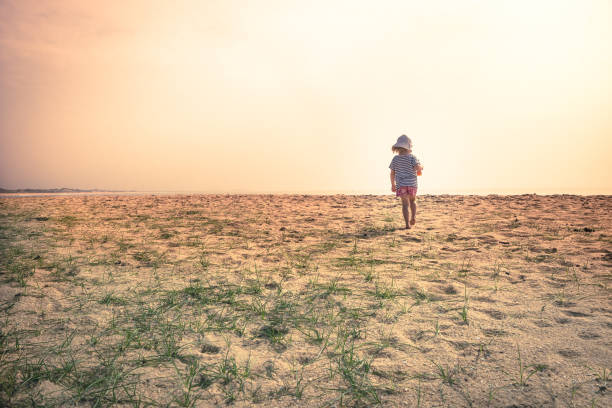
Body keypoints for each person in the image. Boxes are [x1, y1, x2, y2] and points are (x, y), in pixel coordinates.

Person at [389, 135, 423, 229]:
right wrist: (421, 168)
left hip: (401, 185)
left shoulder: (395, 159)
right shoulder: (412, 157)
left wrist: (393, 184)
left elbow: (392, 173)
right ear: (408, 147)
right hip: (412, 184)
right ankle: (413, 217)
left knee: (405, 204)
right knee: (413, 200)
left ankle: (407, 224)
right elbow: (417, 167)